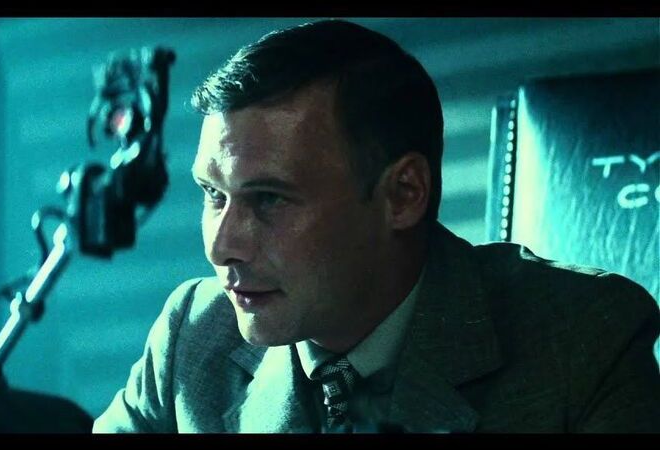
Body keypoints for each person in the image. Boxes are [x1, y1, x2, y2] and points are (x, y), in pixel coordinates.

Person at [92, 19, 660, 433]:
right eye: (214, 195)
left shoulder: (583, 344)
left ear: (403, 195)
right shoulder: (194, 335)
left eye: (268, 199)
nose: (222, 246)